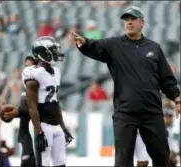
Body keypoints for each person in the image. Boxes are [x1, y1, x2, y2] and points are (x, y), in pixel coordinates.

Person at [71, 6, 180, 167]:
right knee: (123, 160)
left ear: (142, 22)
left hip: (152, 112)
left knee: (162, 158)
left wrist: (177, 98)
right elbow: (95, 46)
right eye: (126, 19)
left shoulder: (154, 48)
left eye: (133, 19)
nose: (128, 22)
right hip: (125, 112)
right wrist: (84, 43)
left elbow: (166, 78)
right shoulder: (114, 45)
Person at [0, 55, 73, 166]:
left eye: (31, 66)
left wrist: (17, 112)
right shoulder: (25, 87)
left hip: (41, 129)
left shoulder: (41, 85)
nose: (28, 69)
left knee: (52, 161)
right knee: (28, 161)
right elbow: (27, 109)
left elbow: (43, 107)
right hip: (28, 133)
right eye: (26, 66)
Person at [21, 36, 69, 166]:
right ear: (43, 53)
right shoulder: (34, 74)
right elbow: (32, 106)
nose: (56, 53)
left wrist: (63, 127)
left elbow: (56, 103)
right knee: (44, 163)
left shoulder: (56, 72)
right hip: (44, 125)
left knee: (61, 162)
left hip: (56, 125)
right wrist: (39, 131)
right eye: (53, 50)